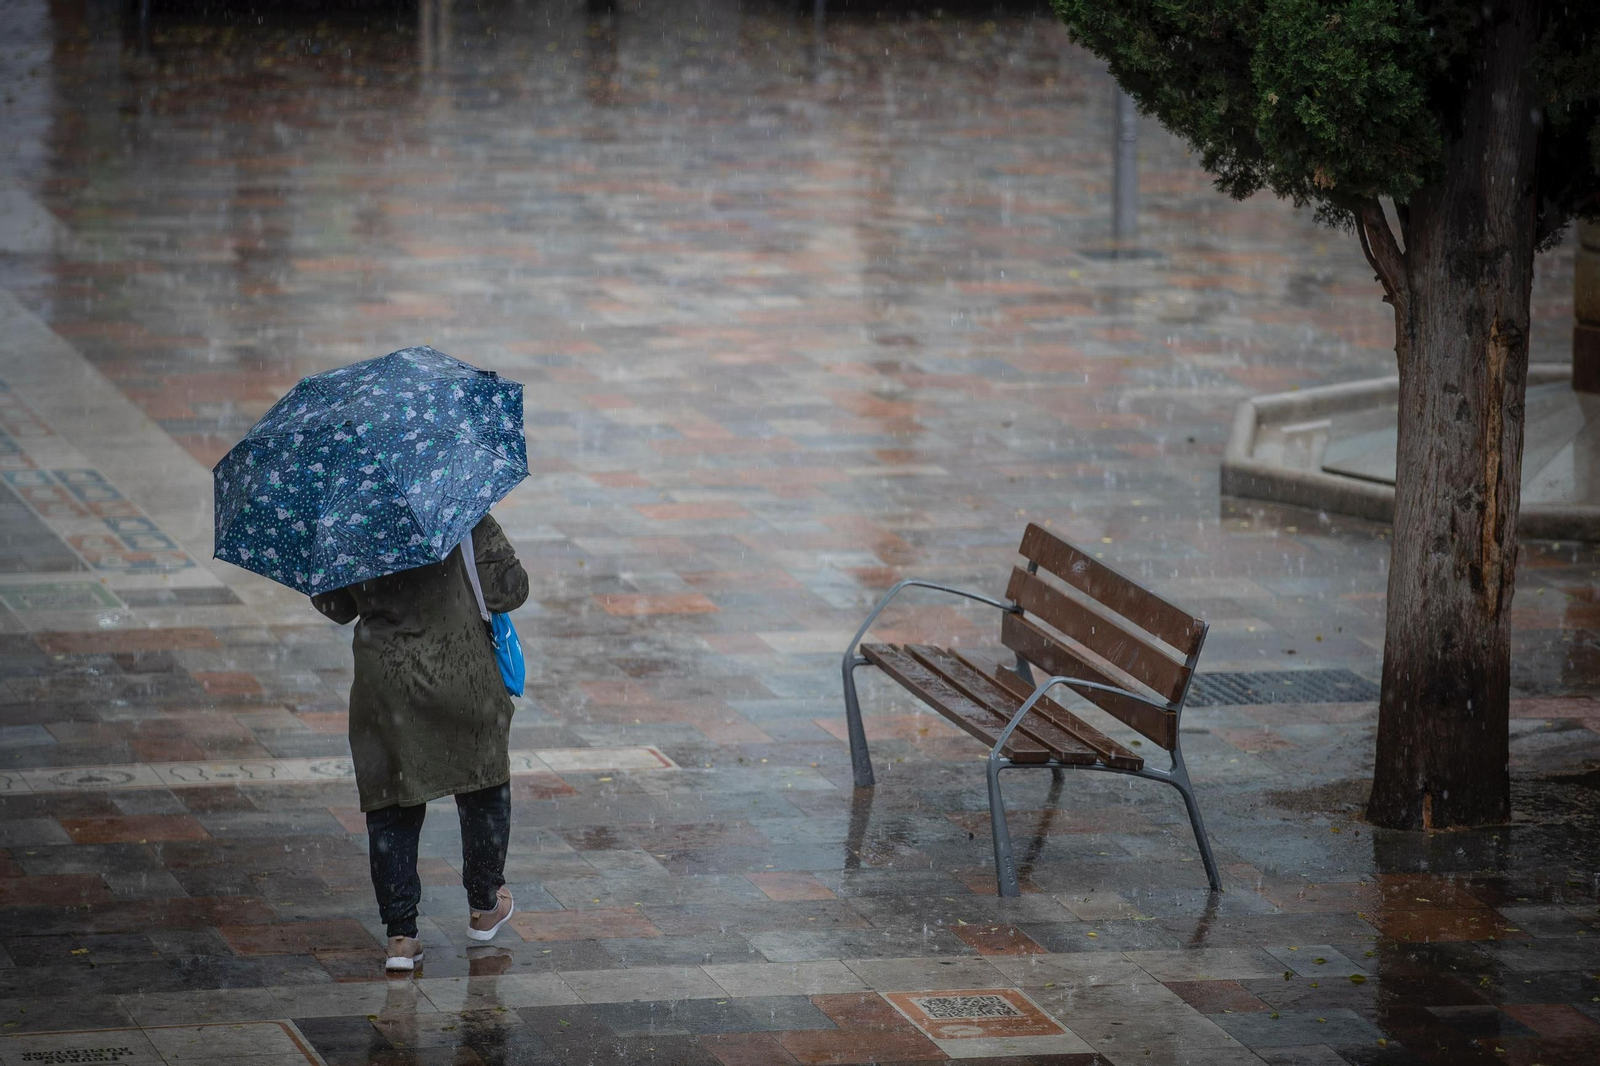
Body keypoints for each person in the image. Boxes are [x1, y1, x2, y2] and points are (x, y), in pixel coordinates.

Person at [311, 514, 529, 972]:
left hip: (386, 684)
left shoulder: (349, 522)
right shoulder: (461, 511)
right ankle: (485, 902)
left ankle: (401, 937)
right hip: (463, 676)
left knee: (391, 807)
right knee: (484, 785)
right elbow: (511, 590)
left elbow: (334, 606)